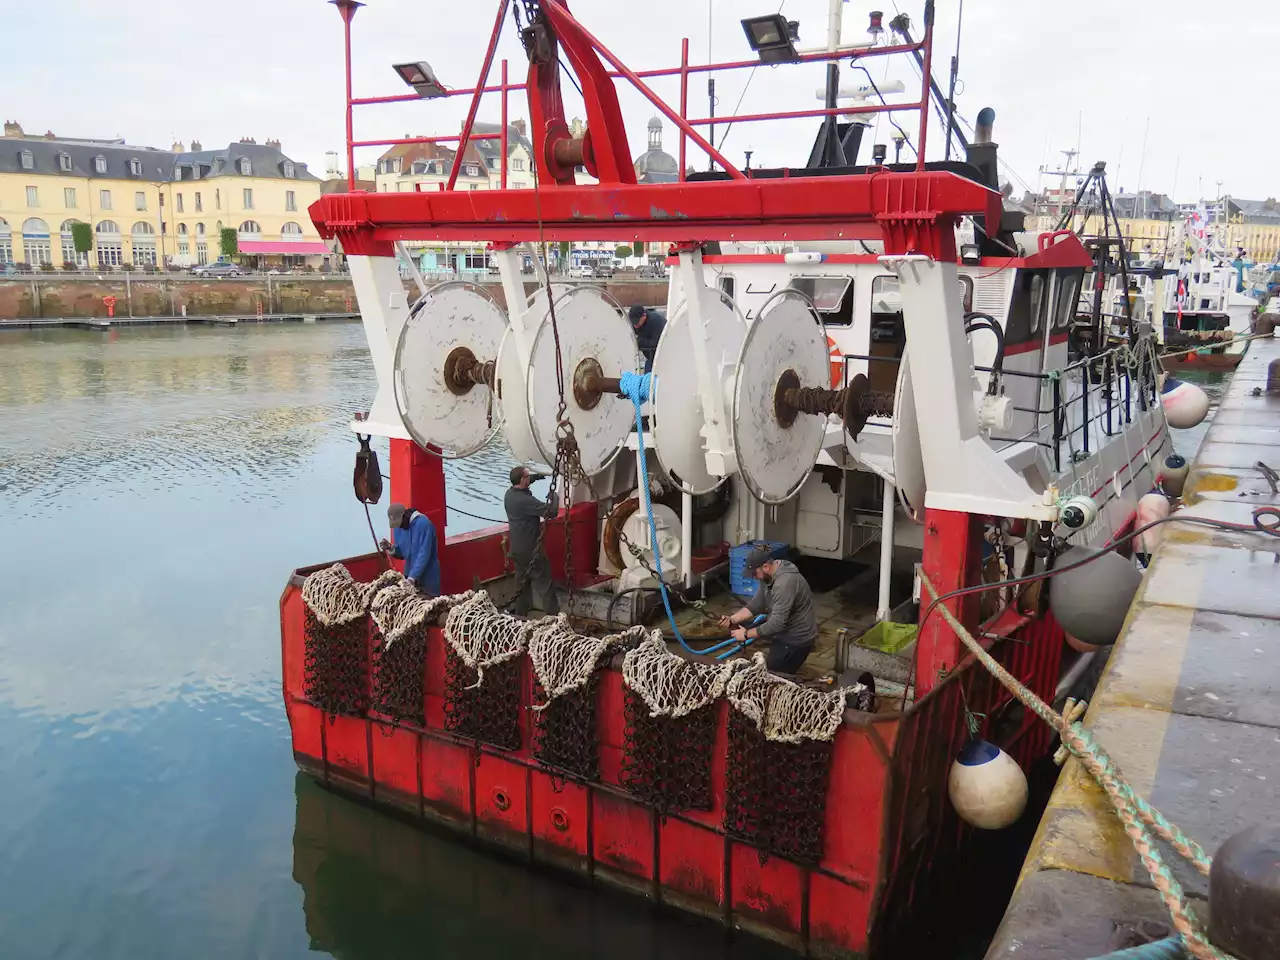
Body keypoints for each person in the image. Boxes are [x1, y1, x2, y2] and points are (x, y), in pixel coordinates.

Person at [719, 547, 818, 674]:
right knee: (768, 671)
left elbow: (776, 624)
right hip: (783, 633)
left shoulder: (785, 583)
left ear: (766, 566)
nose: (754, 577)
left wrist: (745, 634)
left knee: (772, 676)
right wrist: (733, 619)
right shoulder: (768, 576)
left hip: (796, 640)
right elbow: (758, 603)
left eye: (754, 574)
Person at [504, 465, 560, 615]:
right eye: (528, 476)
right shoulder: (526, 501)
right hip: (532, 551)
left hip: (516, 550)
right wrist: (554, 496)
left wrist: (535, 477)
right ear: (522, 480)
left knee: (522, 587)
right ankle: (554, 620)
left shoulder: (509, 495)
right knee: (546, 585)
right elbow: (552, 512)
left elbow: (522, 485)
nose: (529, 478)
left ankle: (519, 617)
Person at [379, 503, 441, 596]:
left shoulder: (424, 525)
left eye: (399, 524)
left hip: (428, 578)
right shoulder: (398, 528)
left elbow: (424, 555)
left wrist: (412, 578)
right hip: (409, 576)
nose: (398, 527)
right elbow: (403, 553)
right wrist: (391, 548)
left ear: (405, 516)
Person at [628, 304, 667, 373]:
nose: (635, 325)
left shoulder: (656, 322)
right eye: (633, 322)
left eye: (637, 322)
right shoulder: (635, 324)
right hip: (650, 357)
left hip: (663, 356)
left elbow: (658, 343)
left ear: (644, 316)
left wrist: (639, 342)